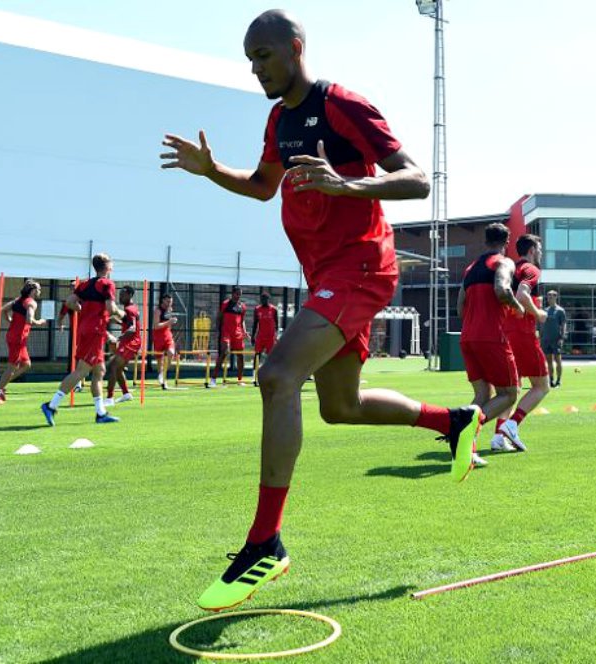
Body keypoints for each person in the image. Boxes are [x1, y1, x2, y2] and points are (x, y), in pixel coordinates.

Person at [161, 9, 483, 612]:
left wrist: (346, 185)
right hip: (325, 277)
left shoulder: (342, 106)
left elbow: (417, 180)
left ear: (295, 47)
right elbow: (262, 185)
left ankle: (265, 543)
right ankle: (454, 422)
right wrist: (211, 172)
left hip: (361, 267)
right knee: (341, 407)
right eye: (250, 59)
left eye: (264, 55)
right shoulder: (279, 120)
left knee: (277, 376)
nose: (256, 68)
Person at [459, 224, 527, 466]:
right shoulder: (505, 262)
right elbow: (502, 289)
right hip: (491, 337)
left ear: (485, 241)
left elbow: (460, 306)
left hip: (467, 336)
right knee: (509, 394)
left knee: (482, 394)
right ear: (506, 241)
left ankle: (466, 447)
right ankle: (463, 428)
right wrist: (517, 307)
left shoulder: (470, 268)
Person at [40, 253, 122, 426]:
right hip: (95, 332)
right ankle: (51, 405)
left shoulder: (85, 284)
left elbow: (69, 301)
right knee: (81, 372)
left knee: (99, 371)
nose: (113, 265)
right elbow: (111, 307)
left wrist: (84, 310)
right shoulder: (107, 284)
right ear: (106, 266)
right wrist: (122, 313)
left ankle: (101, 413)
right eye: (111, 263)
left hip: (86, 329)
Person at [488, 233, 549, 458]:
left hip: (505, 332)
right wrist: (538, 314)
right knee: (542, 386)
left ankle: (498, 437)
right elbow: (523, 295)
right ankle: (512, 425)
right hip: (522, 333)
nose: (540, 254)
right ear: (532, 250)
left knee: (512, 389)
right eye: (539, 250)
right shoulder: (531, 270)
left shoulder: (510, 268)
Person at [0, 280, 46, 404]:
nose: (39, 291)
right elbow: (29, 319)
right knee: (12, 366)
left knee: (26, 364)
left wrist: (10, 320)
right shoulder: (31, 303)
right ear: (33, 291)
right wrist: (39, 322)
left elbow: (2, 310)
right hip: (18, 338)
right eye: (38, 289)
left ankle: (1, 385)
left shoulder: (17, 300)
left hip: (13, 336)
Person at [104, 285, 142, 406]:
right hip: (129, 342)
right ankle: (126, 394)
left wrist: (118, 338)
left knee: (113, 367)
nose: (120, 296)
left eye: (123, 294)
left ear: (130, 295)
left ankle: (109, 398)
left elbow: (132, 328)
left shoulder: (130, 309)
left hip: (131, 342)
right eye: (119, 294)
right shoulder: (130, 309)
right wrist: (118, 321)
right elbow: (129, 324)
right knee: (118, 369)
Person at [212, 286, 248, 387]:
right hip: (226, 332)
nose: (238, 296)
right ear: (232, 294)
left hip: (238, 334)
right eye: (237, 294)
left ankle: (240, 380)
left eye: (240, 294)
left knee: (241, 356)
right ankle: (213, 379)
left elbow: (242, 320)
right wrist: (217, 330)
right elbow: (219, 317)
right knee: (224, 352)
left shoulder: (242, 307)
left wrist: (244, 331)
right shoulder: (225, 304)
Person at [251, 291, 280, 384]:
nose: (264, 300)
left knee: (271, 357)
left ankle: (271, 375)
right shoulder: (257, 309)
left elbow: (277, 324)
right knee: (257, 355)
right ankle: (254, 376)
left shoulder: (274, 309)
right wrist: (253, 336)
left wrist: (276, 335)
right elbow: (255, 324)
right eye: (262, 299)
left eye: (265, 299)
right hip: (260, 336)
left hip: (270, 337)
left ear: (268, 299)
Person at [541, 291, 567, 387]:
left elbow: (564, 324)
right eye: (548, 296)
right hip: (546, 339)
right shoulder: (545, 310)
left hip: (556, 339)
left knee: (558, 360)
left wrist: (562, 337)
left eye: (552, 296)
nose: (550, 297)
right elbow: (541, 324)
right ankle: (551, 380)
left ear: (556, 297)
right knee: (549, 361)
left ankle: (559, 380)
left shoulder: (560, 310)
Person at [153, 293, 178, 390]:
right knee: (160, 359)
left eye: (171, 302)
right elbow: (156, 325)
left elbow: (169, 325)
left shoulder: (170, 310)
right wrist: (169, 322)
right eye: (168, 301)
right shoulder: (158, 310)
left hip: (167, 334)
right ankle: (161, 375)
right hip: (158, 335)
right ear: (163, 300)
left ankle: (164, 374)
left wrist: (171, 323)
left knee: (171, 352)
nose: (169, 304)